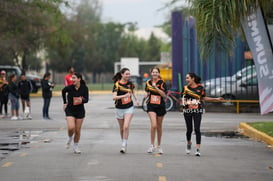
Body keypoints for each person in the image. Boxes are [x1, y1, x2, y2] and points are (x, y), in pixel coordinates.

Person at [181, 73, 223, 157]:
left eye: (188, 78)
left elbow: (204, 98)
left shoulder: (200, 88)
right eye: (186, 78)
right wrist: (185, 103)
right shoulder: (185, 88)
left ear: (192, 79)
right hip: (187, 111)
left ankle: (198, 149)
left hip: (197, 111)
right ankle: (189, 143)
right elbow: (183, 99)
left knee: (197, 129)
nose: (186, 80)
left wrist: (215, 99)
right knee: (189, 130)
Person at [112, 68, 139, 154]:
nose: (128, 76)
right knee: (121, 128)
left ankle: (123, 145)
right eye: (126, 74)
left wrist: (136, 100)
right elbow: (114, 97)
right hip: (119, 108)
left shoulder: (130, 84)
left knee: (126, 126)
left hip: (129, 107)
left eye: (129, 74)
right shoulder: (117, 85)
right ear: (122, 74)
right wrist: (124, 96)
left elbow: (133, 92)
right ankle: (123, 141)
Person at [62, 72, 89, 154]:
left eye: (74, 78)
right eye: (72, 78)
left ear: (79, 79)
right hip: (70, 110)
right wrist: (64, 102)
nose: (72, 79)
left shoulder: (84, 88)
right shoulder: (69, 88)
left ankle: (76, 146)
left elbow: (87, 99)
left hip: (80, 111)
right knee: (71, 127)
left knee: (77, 130)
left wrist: (82, 100)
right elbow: (63, 91)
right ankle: (70, 137)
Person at [145, 67, 167, 154]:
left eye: (156, 72)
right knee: (153, 125)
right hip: (151, 106)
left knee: (159, 126)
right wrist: (145, 95)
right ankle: (151, 145)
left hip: (160, 106)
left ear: (158, 73)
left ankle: (159, 146)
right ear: (151, 73)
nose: (154, 74)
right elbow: (147, 91)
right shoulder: (148, 82)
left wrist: (156, 88)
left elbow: (164, 95)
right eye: (153, 72)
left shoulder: (162, 83)